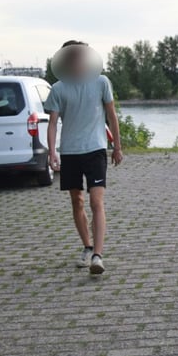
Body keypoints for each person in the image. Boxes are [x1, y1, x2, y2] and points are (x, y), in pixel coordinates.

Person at [45, 41, 123, 275]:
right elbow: (52, 124)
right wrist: (52, 152)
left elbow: (111, 115)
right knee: (77, 201)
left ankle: (98, 256)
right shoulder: (58, 88)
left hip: (96, 149)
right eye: (73, 57)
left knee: (95, 201)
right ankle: (87, 247)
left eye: (81, 56)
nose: (78, 61)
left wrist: (117, 147)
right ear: (65, 61)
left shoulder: (101, 82)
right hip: (70, 151)